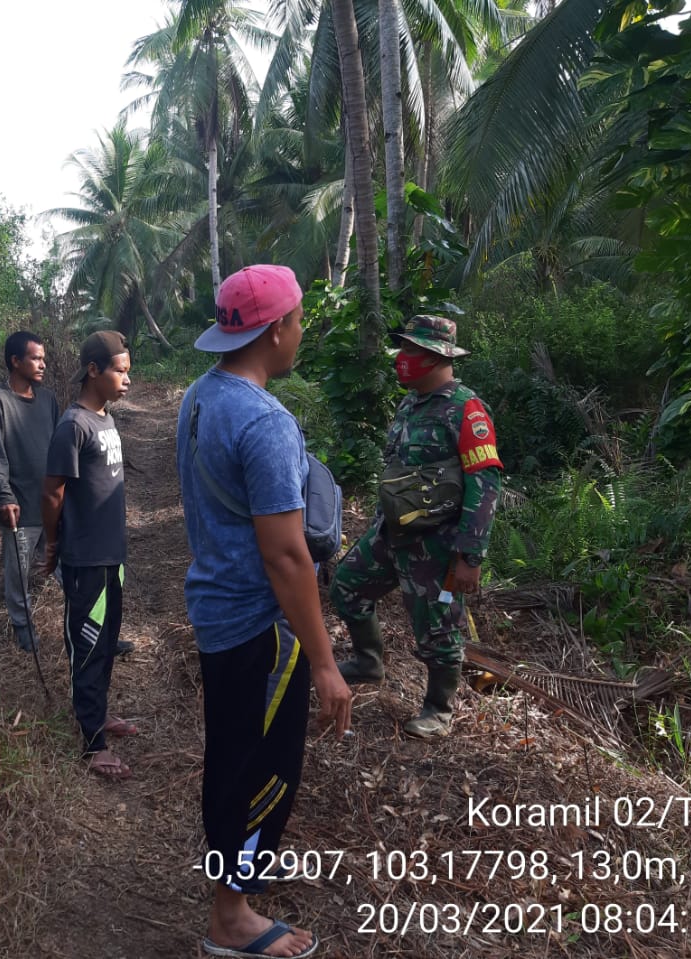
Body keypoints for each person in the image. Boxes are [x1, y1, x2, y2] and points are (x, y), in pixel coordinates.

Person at [177, 265, 352, 959]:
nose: (301, 331)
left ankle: (239, 887)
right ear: (275, 329)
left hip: (217, 609)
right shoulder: (265, 420)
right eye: (300, 319)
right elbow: (286, 557)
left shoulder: (200, 395)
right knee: (261, 768)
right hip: (259, 627)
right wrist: (327, 660)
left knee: (231, 752)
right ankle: (231, 917)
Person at [331, 314, 503, 739]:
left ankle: (439, 708)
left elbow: (485, 483)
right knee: (347, 586)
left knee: (438, 628)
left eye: (410, 350)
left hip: (438, 544)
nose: (401, 358)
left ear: (433, 356)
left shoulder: (466, 409)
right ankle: (368, 662)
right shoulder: (411, 403)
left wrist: (469, 556)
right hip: (393, 533)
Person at [41, 330, 137, 780]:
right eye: (120, 371)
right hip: (84, 560)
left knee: (106, 643)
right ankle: (92, 744)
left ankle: (98, 715)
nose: (127, 380)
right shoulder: (73, 426)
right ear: (93, 371)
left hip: (111, 556)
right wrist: (55, 545)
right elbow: (52, 492)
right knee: (87, 644)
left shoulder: (105, 420)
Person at [0, 331, 59, 653]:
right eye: (35, 358)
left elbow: (59, 448)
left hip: (52, 504)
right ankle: (23, 627)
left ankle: (89, 626)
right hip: (19, 507)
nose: (42, 364)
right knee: (18, 575)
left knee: (70, 568)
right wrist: (3, 495)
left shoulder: (49, 400)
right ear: (15, 361)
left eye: (43, 358)